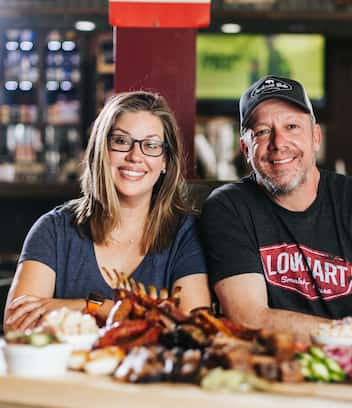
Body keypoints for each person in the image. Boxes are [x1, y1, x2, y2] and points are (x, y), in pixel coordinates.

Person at [200, 75, 352, 339]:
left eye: (292, 126)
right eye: (263, 131)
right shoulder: (229, 208)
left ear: (316, 137)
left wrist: (287, 326)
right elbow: (250, 319)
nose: (279, 143)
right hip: (270, 367)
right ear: (245, 148)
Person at [5, 91, 210, 332]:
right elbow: (18, 324)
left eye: (151, 145)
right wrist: (142, 316)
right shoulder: (53, 229)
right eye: (121, 141)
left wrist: (88, 306)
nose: (135, 156)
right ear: (101, 149)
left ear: (165, 160)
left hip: (150, 370)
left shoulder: (185, 234)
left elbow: (192, 327)